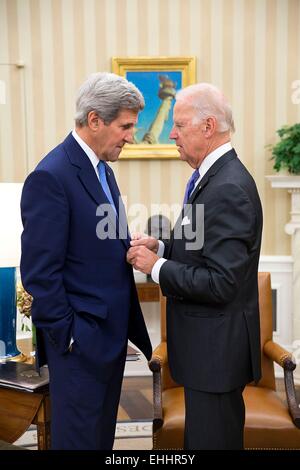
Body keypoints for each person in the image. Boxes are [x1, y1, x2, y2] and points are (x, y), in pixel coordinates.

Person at [127, 83, 263, 450]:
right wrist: (164, 246)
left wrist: (156, 267)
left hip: (215, 357)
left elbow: (220, 283)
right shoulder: (211, 179)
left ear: (207, 127)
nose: (172, 133)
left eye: (180, 124)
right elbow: (203, 251)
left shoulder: (228, 188)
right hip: (208, 354)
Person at [20, 72, 152, 450]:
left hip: (107, 339)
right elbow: (40, 274)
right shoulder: (51, 176)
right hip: (80, 345)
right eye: (125, 126)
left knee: (99, 440)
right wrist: (73, 336)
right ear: (95, 120)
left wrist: (128, 243)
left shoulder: (103, 170)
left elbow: (87, 240)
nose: (130, 135)